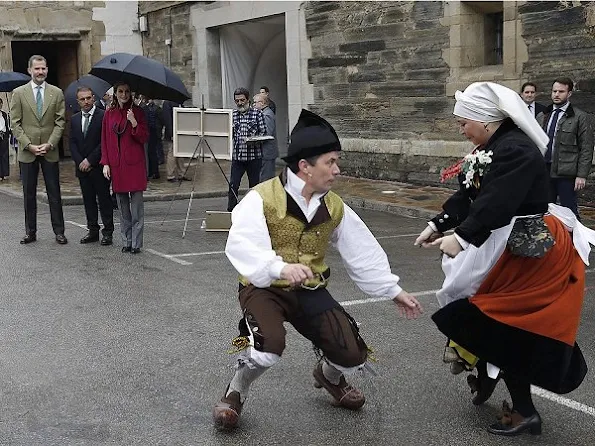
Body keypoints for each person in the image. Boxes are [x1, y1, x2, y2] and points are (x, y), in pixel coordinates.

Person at [213, 109, 423, 430]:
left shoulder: (334, 205)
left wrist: (392, 290)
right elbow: (242, 244)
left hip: (310, 287)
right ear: (305, 167)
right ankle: (235, 392)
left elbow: (361, 250)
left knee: (352, 354)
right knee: (269, 345)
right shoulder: (261, 198)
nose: (337, 170)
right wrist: (278, 267)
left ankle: (327, 376)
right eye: (331, 162)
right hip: (264, 288)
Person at [415, 82, 589, 436]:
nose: (461, 129)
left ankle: (523, 410)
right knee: (484, 314)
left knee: (506, 324)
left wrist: (462, 237)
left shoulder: (515, 150)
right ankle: (487, 375)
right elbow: (471, 193)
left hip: (531, 248)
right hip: (508, 241)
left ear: (484, 120)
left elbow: (499, 199)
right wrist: (439, 223)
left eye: (464, 122)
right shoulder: (495, 147)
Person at [10, 54, 67, 245]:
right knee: (29, 194)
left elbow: (60, 122)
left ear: (47, 70)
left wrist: (51, 143)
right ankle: (30, 232)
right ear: (29, 70)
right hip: (28, 151)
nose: (40, 72)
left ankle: (59, 231)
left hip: (49, 150)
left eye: (43, 68)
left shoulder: (57, 93)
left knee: (54, 193)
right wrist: (29, 145)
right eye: (37, 68)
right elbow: (15, 123)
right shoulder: (18, 93)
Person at [100, 82, 149, 254]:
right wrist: (105, 162)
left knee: (136, 208)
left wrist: (134, 122)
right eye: (120, 91)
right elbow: (105, 140)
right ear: (115, 93)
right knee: (122, 207)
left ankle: (136, 243)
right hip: (117, 165)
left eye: (127, 91)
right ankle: (126, 240)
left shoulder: (138, 112)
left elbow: (144, 137)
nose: (124, 94)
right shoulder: (109, 114)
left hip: (134, 165)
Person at [537, 77, 593, 218]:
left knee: (569, 212)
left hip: (566, 173)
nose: (556, 94)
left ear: (569, 94)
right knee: (545, 211)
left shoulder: (580, 117)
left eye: (561, 91)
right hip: (544, 170)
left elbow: (586, 147)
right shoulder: (543, 115)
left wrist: (581, 175)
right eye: (554, 91)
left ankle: (576, 239)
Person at [70, 86, 114, 246]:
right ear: (78, 101)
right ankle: (93, 230)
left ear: (93, 98)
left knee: (104, 200)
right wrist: (80, 161)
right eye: (82, 99)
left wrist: (90, 160)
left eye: (88, 98)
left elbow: (105, 142)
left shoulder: (103, 116)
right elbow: (72, 143)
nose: (86, 101)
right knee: (88, 200)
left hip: (99, 166)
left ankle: (108, 232)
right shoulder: (74, 119)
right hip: (82, 168)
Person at [227, 87, 266, 211]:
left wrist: (253, 139)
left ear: (248, 99)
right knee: (233, 184)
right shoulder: (233, 115)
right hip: (238, 157)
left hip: (254, 157)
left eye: (242, 100)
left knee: (254, 187)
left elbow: (263, 133)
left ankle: (254, 211)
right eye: (237, 101)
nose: (240, 103)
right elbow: (229, 134)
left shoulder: (257, 114)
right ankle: (231, 211)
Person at [162, 100, 190, 182]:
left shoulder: (179, 103)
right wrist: (171, 134)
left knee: (180, 154)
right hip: (173, 132)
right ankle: (170, 175)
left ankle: (182, 173)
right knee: (172, 153)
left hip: (180, 132)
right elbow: (167, 119)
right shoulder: (167, 103)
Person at [253, 93, 278, 181]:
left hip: (267, 152)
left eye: (255, 103)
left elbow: (267, 133)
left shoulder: (267, 114)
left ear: (262, 103)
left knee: (266, 179)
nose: (254, 105)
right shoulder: (262, 113)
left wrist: (253, 137)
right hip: (264, 152)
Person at [141, 97, 164, 179]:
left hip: (150, 133)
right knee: (154, 152)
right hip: (154, 133)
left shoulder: (145, 109)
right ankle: (154, 171)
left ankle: (152, 172)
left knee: (150, 153)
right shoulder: (155, 108)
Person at [0, 98, 11, 180]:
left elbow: (7, 125)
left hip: (4, 136)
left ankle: (4, 173)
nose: (0, 105)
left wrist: (8, 133)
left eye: (1, 103)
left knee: (4, 155)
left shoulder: (4, 114)